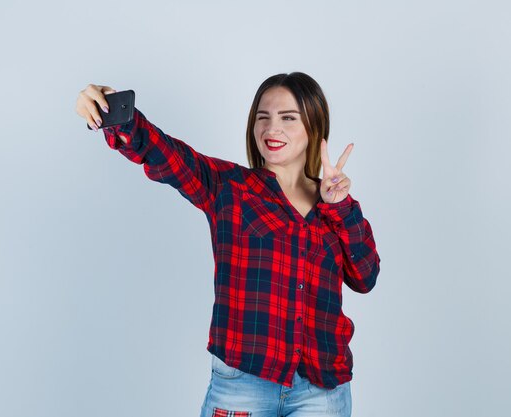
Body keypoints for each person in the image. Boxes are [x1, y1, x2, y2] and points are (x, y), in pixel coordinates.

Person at [75, 72, 381, 417]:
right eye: (262, 118)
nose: (271, 128)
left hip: (322, 390)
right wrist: (117, 115)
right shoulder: (228, 187)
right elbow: (166, 155)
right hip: (243, 385)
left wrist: (340, 206)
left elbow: (365, 277)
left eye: (288, 118)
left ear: (314, 125)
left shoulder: (336, 207)